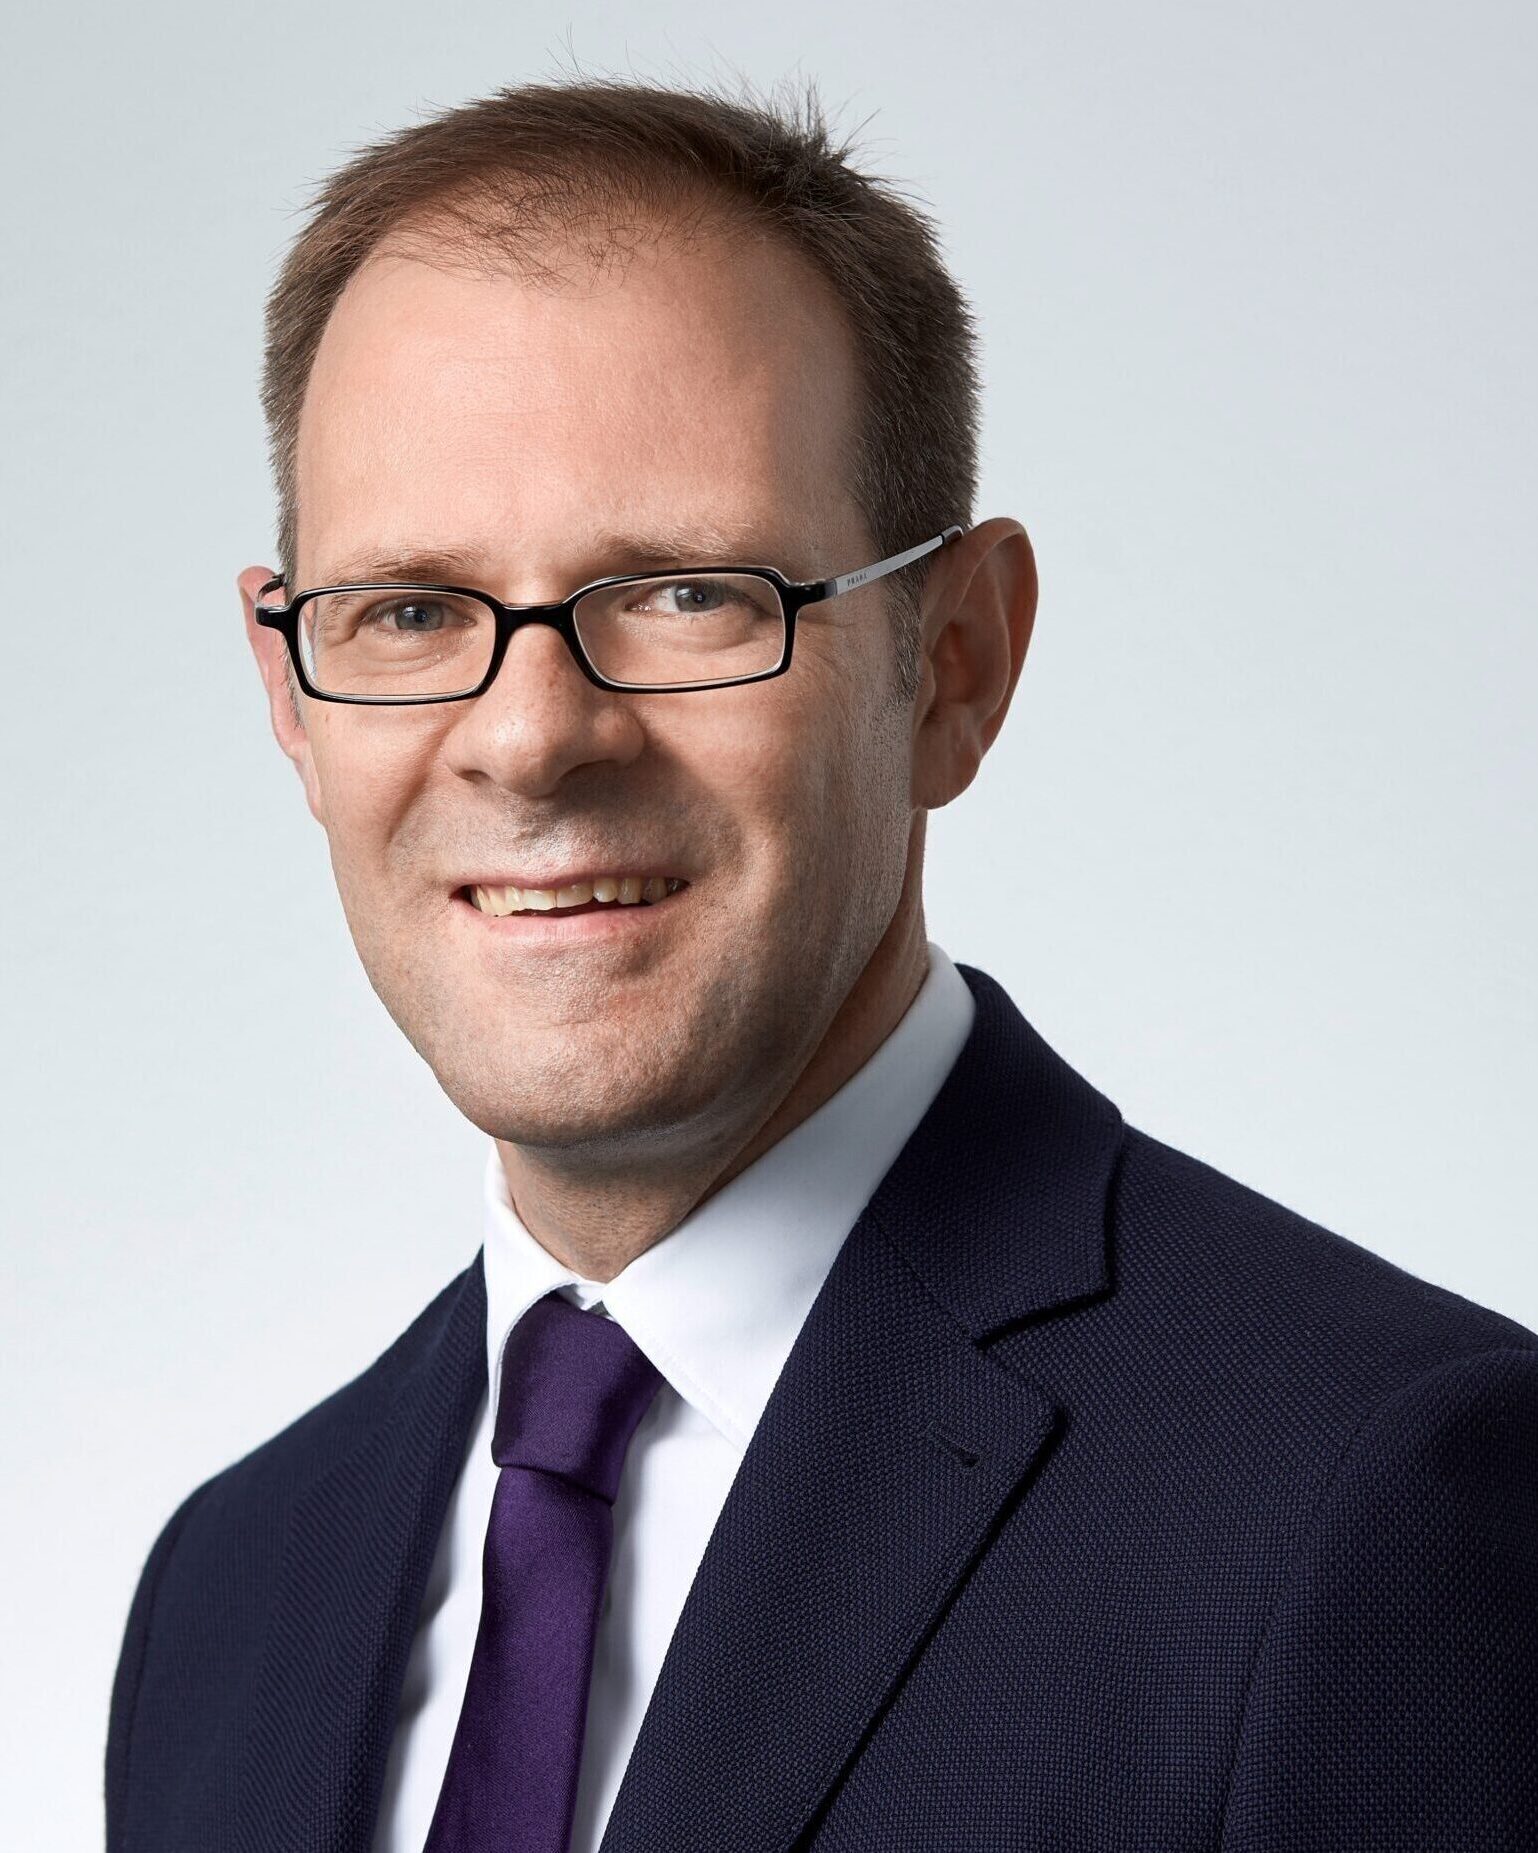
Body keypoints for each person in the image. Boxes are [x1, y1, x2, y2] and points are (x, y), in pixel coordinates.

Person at [105, 77, 1538, 1853]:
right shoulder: (228, 1595)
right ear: (289, 695)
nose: (529, 738)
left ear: (955, 662)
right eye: (408, 611)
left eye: (685, 593)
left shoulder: (1372, 1500)